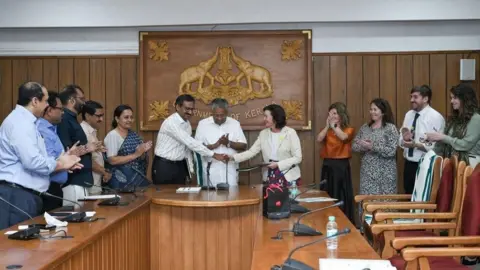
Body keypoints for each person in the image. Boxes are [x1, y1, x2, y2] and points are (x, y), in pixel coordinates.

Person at [0, 82, 82, 230]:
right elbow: (33, 162)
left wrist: (62, 160)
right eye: (45, 101)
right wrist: (61, 164)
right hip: (17, 195)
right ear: (35, 101)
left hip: (24, 195)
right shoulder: (20, 123)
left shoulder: (28, 122)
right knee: (17, 250)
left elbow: (37, 159)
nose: (46, 106)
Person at [152, 94, 225, 185]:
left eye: (192, 109)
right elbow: (190, 142)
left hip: (180, 166)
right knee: (163, 196)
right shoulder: (171, 122)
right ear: (178, 107)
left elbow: (187, 149)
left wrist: (190, 169)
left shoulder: (187, 125)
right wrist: (213, 154)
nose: (190, 112)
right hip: (164, 166)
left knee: (180, 197)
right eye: (187, 109)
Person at [228, 104, 302, 187]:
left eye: (266, 116)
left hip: (289, 177)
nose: (264, 119)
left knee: (289, 200)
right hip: (269, 177)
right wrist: (232, 157)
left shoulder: (290, 133)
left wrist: (278, 164)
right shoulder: (263, 133)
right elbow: (251, 152)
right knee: (270, 200)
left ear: (275, 117)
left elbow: (298, 158)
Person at [37, 91, 87, 212]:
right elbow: (47, 162)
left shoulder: (51, 129)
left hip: (55, 187)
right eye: (60, 109)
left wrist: (68, 158)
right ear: (49, 110)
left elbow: (55, 158)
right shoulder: (42, 130)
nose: (63, 112)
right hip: (47, 187)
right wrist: (66, 161)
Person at [57, 84, 104, 205]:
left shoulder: (72, 119)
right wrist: (88, 148)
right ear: (72, 100)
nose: (84, 103)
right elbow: (65, 150)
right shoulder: (64, 119)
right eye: (82, 99)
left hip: (81, 179)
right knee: (75, 218)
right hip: (73, 180)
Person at [398, 85, 445, 194]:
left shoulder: (436, 117)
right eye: (411, 97)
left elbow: (437, 147)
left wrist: (416, 145)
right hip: (409, 164)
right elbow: (401, 140)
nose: (411, 100)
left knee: (424, 198)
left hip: (426, 164)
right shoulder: (409, 115)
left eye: (415, 97)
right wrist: (404, 140)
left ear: (425, 99)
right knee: (409, 196)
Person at [194, 98, 247, 187]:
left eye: (222, 115)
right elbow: (197, 148)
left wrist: (229, 143)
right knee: (210, 198)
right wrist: (215, 145)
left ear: (227, 113)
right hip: (210, 169)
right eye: (216, 115)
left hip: (230, 169)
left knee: (231, 197)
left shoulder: (235, 124)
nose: (219, 118)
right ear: (212, 112)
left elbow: (243, 146)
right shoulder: (203, 124)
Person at [316, 102, 355, 222]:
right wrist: (328, 126)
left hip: (340, 166)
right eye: (330, 113)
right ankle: (326, 218)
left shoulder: (349, 129)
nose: (331, 116)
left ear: (340, 115)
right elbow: (319, 139)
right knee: (328, 192)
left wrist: (334, 127)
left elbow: (343, 137)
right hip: (328, 165)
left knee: (340, 193)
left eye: (334, 113)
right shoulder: (327, 130)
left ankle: (343, 219)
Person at [352, 98, 399, 196]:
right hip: (367, 173)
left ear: (383, 112)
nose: (372, 112)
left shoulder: (390, 129)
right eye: (371, 109)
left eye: (375, 109)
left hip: (385, 175)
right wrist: (364, 146)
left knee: (385, 205)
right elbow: (354, 145)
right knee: (367, 204)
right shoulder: (365, 128)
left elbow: (391, 151)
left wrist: (372, 146)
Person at [427, 83, 480, 168]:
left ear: (465, 99)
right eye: (451, 98)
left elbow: (465, 145)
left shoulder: (476, 118)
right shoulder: (454, 119)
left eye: (455, 98)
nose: (451, 101)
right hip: (452, 164)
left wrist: (443, 137)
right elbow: (446, 140)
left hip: (470, 166)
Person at [104, 105, 152, 189]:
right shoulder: (113, 135)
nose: (130, 120)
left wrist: (143, 151)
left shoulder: (133, 134)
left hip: (136, 179)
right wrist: (136, 154)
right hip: (121, 181)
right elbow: (112, 160)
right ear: (117, 119)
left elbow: (139, 154)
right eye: (126, 117)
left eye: (131, 117)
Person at [81, 101, 111, 194]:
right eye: (98, 116)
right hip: (88, 185)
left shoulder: (92, 131)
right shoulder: (83, 132)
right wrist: (105, 172)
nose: (101, 119)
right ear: (87, 116)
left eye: (102, 115)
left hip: (95, 182)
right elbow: (86, 160)